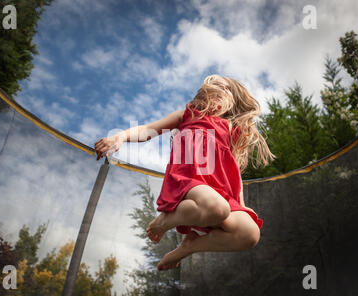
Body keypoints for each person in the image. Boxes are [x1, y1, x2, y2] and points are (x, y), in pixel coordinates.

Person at [95, 75, 275, 271]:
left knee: (249, 234)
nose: (217, 90)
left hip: (220, 194)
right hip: (189, 182)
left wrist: (241, 206)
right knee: (218, 208)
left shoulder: (232, 130)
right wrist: (120, 136)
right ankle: (166, 220)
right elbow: (148, 129)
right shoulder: (187, 115)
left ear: (231, 103)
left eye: (224, 88)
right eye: (212, 87)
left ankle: (190, 246)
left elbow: (234, 172)